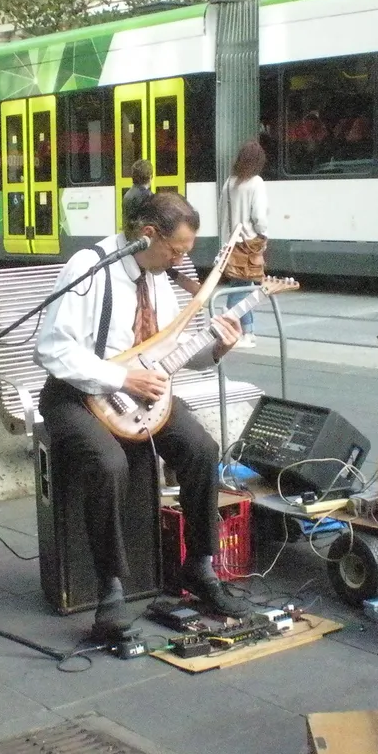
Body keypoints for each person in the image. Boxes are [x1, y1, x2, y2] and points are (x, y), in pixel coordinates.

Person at [35, 192, 250, 639]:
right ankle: (110, 588)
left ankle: (200, 566)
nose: (181, 261)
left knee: (201, 449)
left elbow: (172, 351)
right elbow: (52, 349)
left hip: (138, 398)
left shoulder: (156, 277)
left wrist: (216, 348)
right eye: (176, 250)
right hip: (75, 395)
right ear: (148, 234)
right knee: (109, 464)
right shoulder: (89, 268)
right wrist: (121, 378)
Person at [216, 139, 270, 349]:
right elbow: (259, 217)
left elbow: (222, 214)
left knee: (240, 287)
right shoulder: (256, 182)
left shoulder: (229, 183)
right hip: (249, 244)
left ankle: (247, 331)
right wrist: (263, 235)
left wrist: (224, 243)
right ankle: (241, 331)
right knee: (242, 289)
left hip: (232, 244)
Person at [121, 158, 153, 234]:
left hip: (130, 235)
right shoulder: (147, 196)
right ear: (150, 177)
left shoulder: (128, 194)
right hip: (141, 236)